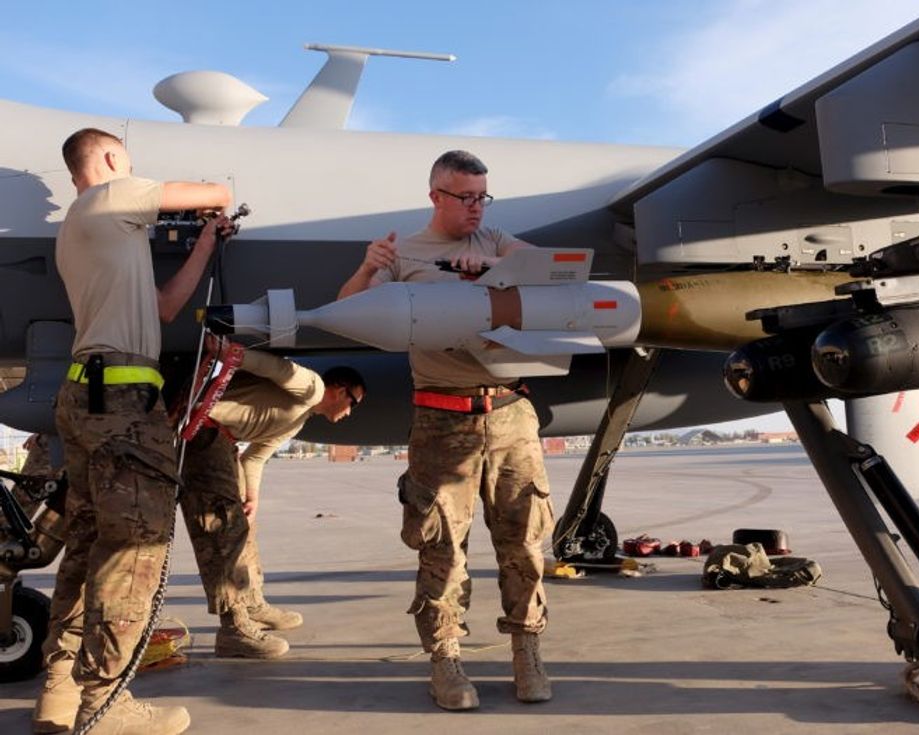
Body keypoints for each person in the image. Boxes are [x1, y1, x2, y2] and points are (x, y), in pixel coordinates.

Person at [338, 150, 555, 711]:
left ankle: (527, 653)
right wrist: (367, 267)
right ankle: (445, 660)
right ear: (435, 195)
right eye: (465, 197)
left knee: (524, 542)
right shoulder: (403, 254)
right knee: (442, 549)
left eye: (483, 197)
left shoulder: (496, 239)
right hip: (442, 417)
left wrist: (492, 267)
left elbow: (546, 269)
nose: (477, 208)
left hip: (511, 412)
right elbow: (348, 311)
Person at [32, 127, 232, 735]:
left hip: (86, 395)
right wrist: (211, 209)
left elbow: (165, 308)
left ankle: (60, 692)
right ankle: (107, 704)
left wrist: (204, 243)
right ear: (111, 158)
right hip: (122, 401)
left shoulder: (87, 229)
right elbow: (218, 191)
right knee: (132, 554)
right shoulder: (111, 196)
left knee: (88, 546)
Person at [177, 336, 365, 659]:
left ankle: (252, 603)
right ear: (338, 389)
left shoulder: (297, 422)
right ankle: (234, 627)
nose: (351, 412)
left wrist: (252, 498)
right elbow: (278, 369)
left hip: (221, 440)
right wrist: (234, 354)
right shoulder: (313, 388)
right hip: (202, 429)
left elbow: (255, 458)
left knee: (244, 526)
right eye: (354, 402)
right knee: (223, 528)